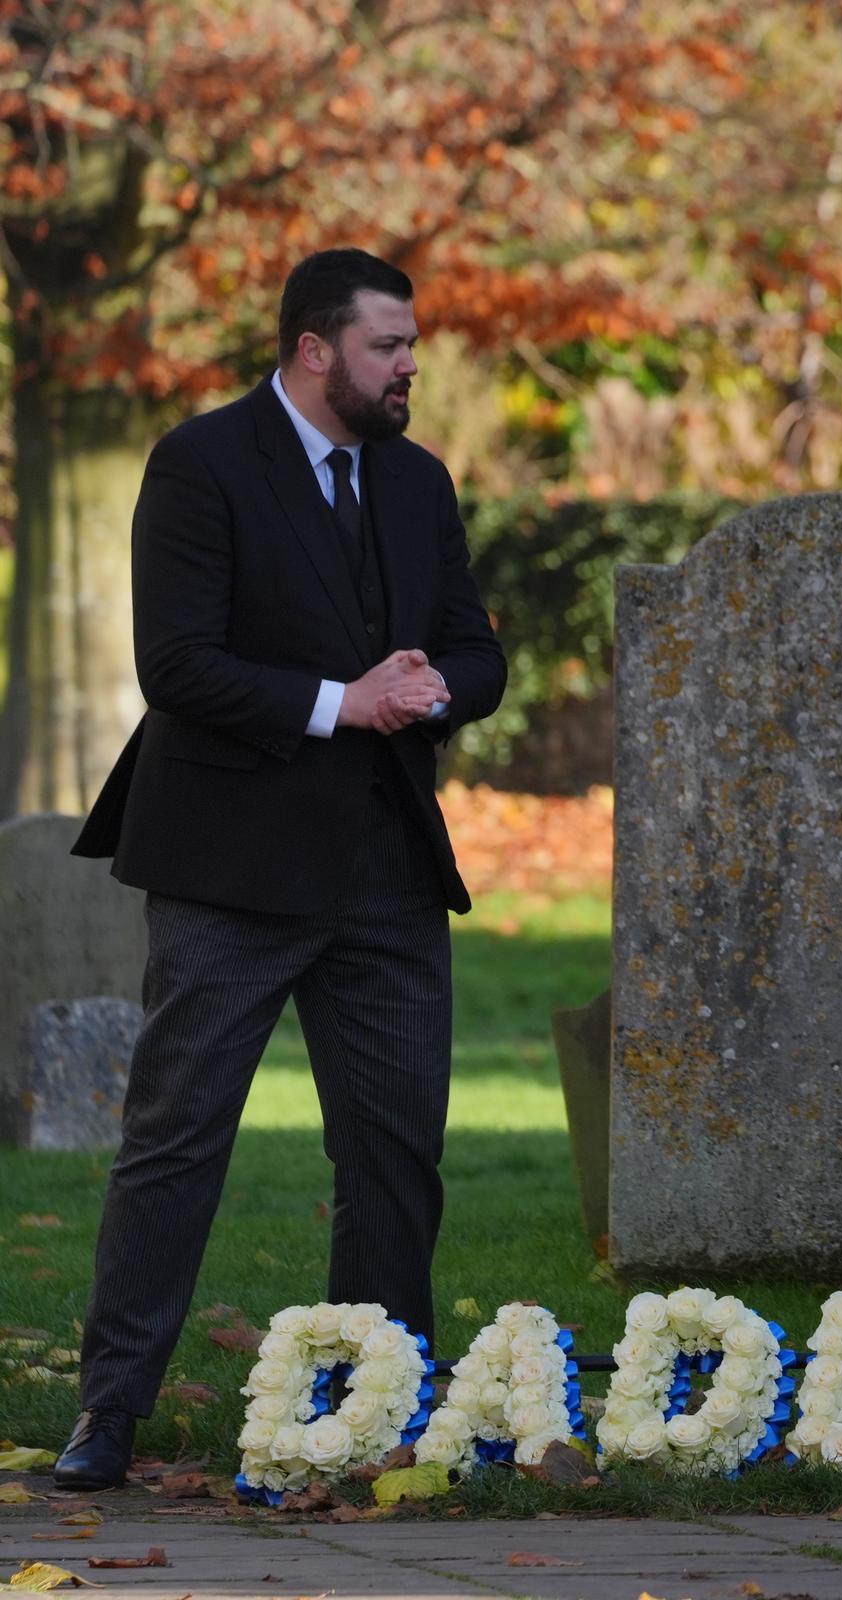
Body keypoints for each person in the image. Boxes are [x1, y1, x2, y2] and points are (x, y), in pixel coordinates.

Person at [53, 248, 505, 1491]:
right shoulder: (200, 464)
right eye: (386, 346)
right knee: (176, 1140)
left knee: (396, 1154)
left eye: (413, 344)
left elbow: (476, 650)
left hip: (388, 871)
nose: (410, 364)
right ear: (315, 350)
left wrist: (437, 687)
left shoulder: (419, 482)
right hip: (228, 869)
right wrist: (338, 702)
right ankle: (110, 1412)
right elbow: (179, 665)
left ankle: (381, 1406)